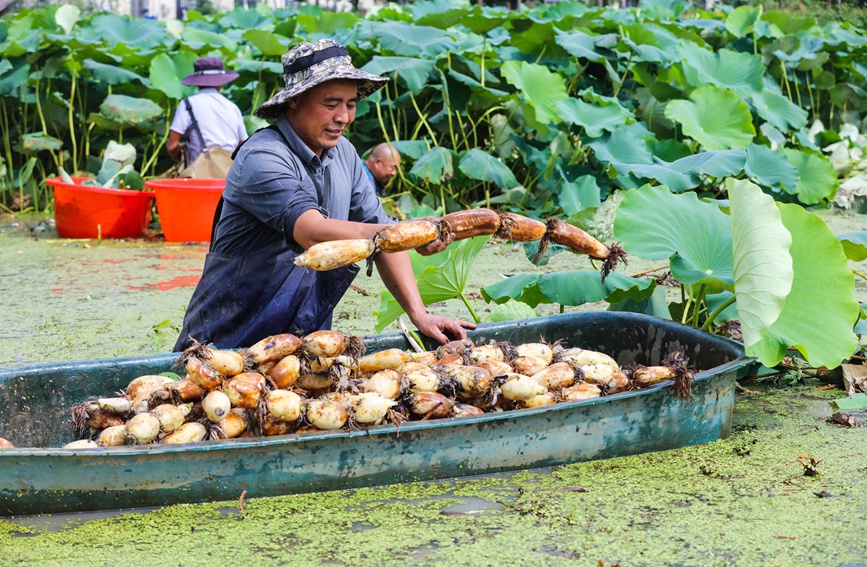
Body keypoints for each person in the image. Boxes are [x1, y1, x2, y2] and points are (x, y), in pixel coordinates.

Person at [173, 39, 475, 352]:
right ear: (295, 100)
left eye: (351, 104)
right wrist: (406, 232)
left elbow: (384, 238)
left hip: (303, 349)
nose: (343, 117)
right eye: (330, 104)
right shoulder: (261, 157)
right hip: (225, 345)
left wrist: (419, 313)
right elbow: (314, 235)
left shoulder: (345, 154)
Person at [166, 57, 247, 169]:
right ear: (220, 83)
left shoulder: (188, 104)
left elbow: (172, 146)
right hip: (230, 174)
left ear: (197, 82)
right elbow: (243, 145)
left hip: (199, 175)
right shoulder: (233, 107)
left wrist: (184, 161)